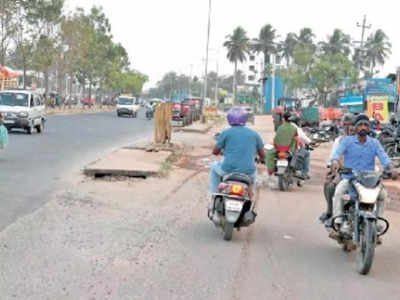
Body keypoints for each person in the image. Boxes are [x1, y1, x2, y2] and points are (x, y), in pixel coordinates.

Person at [329, 114, 397, 235]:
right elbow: (337, 154)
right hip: (350, 179)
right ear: (355, 127)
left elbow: (384, 158)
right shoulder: (347, 141)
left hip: (368, 180)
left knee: (383, 195)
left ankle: (378, 222)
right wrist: (334, 162)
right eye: (360, 125)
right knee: (338, 192)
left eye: (366, 125)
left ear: (369, 127)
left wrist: (391, 168)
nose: (363, 127)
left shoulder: (374, 143)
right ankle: (339, 221)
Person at [208, 107, 265, 213]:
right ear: (244, 119)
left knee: (214, 167)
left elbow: (215, 152)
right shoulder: (254, 134)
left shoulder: (226, 133)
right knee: (254, 180)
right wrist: (262, 159)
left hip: (228, 170)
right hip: (248, 172)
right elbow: (262, 154)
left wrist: (223, 152)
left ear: (229, 119)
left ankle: (214, 193)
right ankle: (250, 198)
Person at [320, 113, 355, 223]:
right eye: (345, 125)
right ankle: (331, 212)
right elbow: (334, 158)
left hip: (362, 173)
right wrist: (333, 168)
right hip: (344, 172)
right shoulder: (339, 141)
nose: (348, 127)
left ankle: (375, 221)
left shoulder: (366, 140)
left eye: (350, 125)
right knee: (330, 185)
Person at [289, 115, 311, 180]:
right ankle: (305, 173)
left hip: (281, 148)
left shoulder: (282, 127)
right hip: (292, 149)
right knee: (307, 153)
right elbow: (303, 138)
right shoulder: (296, 128)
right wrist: (310, 142)